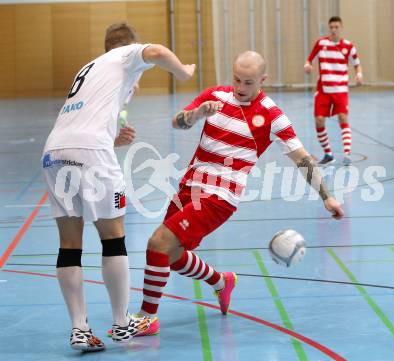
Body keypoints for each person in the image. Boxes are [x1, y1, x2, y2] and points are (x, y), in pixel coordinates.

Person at [128, 50, 344, 335]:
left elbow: (302, 158)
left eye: (249, 82)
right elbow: (178, 122)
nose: (241, 88)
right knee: (168, 254)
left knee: (157, 243)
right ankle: (221, 281)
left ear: (263, 80)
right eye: (237, 80)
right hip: (189, 186)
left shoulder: (272, 115)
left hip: (219, 197)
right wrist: (197, 113)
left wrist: (326, 196)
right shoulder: (215, 96)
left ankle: (147, 318)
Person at [41, 22, 195, 351]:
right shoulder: (125, 55)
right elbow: (155, 52)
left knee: (69, 244)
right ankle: (122, 322)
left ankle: (79, 329)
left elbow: (83, 126)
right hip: (90, 153)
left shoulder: (90, 67)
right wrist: (183, 71)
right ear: (127, 46)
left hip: (55, 151)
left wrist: (111, 141)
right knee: (114, 239)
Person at [304, 16, 363, 166]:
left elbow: (357, 64)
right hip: (323, 89)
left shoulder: (349, 46)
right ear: (329, 28)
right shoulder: (321, 43)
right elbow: (309, 59)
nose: (334, 30)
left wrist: (359, 74)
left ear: (341, 27)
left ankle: (347, 153)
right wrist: (308, 65)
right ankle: (328, 154)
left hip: (340, 89)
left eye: (336, 27)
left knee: (343, 118)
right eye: (332, 27)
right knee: (318, 120)